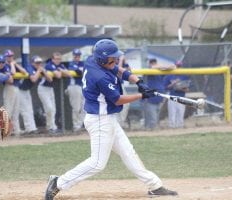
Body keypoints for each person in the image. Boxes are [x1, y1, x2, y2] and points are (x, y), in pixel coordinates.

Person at [44, 39, 178, 200]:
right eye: (112, 58)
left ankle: (155, 186)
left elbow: (118, 69)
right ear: (102, 59)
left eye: (115, 57)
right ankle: (58, 183)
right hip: (100, 121)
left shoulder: (93, 60)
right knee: (97, 163)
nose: (115, 60)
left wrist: (138, 81)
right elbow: (118, 100)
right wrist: (141, 95)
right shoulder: (100, 77)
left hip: (108, 119)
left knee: (129, 153)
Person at [143, 58, 176, 130]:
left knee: (157, 117)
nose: (155, 64)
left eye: (155, 63)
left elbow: (173, 66)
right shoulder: (148, 70)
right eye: (153, 63)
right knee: (153, 118)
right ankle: (150, 130)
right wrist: (161, 67)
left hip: (160, 98)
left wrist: (163, 67)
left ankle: (153, 130)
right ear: (150, 64)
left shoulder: (159, 72)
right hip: (150, 99)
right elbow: (153, 67)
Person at [18, 55, 46, 134]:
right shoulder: (29, 67)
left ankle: (32, 128)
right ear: (32, 63)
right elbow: (33, 79)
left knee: (29, 109)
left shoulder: (38, 69)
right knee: (25, 110)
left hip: (26, 91)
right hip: (19, 90)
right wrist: (39, 71)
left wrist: (42, 71)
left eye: (40, 63)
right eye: (37, 63)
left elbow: (49, 79)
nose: (39, 64)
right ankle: (29, 129)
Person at [3, 49, 27, 135]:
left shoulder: (13, 64)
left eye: (11, 56)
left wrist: (15, 63)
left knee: (16, 110)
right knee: (8, 110)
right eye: (9, 56)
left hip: (16, 88)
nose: (10, 57)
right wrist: (13, 64)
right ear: (5, 57)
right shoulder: (5, 65)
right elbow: (12, 73)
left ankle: (17, 130)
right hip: (9, 87)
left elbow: (24, 72)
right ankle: (6, 130)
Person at [38, 52, 63, 134]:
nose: (58, 60)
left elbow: (68, 74)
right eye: (56, 59)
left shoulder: (59, 65)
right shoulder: (49, 65)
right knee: (49, 108)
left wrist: (60, 70)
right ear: (52, 59)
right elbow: (57, 76)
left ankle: (53, 127)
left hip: (50, 89)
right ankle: (50, 127)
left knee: (53, 109)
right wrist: (60, 71)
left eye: (59, 59)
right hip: (43, 88)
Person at [163, 61, 190, 128]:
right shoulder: (169, 76)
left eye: (180, 66)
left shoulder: (185, 76)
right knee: (172, 114)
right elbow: (165, 88)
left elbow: (187, 89)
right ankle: (172, 128)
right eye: (177, 66)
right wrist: (173, 83)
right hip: (172, 97)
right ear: (175, 67)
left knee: (180, 114)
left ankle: (180, 128)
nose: (178, 67)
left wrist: (180, 88)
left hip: (181, 97)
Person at [64, 48, 85, 133]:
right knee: (76, 108)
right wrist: (82, 71)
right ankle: (76, 126)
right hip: (74, 87)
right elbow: (79, 72)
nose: (77, 57)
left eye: (78, 55)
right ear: (73, 56)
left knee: (85, 107)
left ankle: (79, 125)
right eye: (76, 55)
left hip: (82, 87)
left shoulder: (82, 63)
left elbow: (85, 71)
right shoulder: (71, 64)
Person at [117, 54, 131, 128]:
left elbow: (129, 71)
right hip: (115, 84)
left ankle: (120, 122)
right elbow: (117, 70)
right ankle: (120, 123)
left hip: (120, 85)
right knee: (124, 103)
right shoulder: (112, 62)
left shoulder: (121, 62)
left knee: (125, 104)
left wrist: (125, 62)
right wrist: (121, 60)